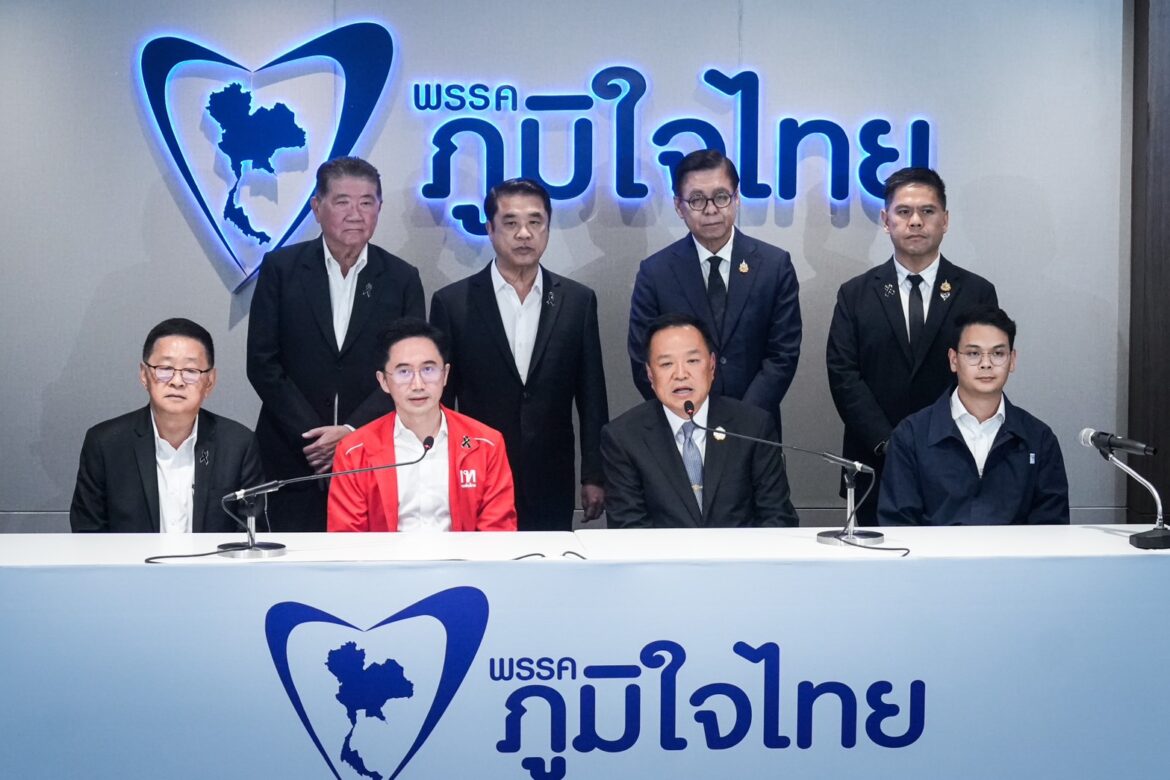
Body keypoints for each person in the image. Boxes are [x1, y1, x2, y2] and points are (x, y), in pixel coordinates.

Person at [247, 156, 425, 532]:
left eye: (366, 202)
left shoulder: (402, 278)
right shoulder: (281, 269)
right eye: (342, 201)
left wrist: (350, 431)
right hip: (293, 452)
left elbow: (408, 370)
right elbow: (262, 363)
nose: (355, 214)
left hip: (373, 451)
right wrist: (317, 438)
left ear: (379, 208)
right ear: (317, 206)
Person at [430, 178, 608, 531]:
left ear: (548, 227)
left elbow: (592, 397)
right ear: (489, 229)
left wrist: (594, 474)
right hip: (476, 472)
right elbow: (441, 402)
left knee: (549, 562)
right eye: (510, 223)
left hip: (551, 474)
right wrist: (439, 471)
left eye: (535, 222)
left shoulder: (577, 301)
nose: (524, 234)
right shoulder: (452, 303)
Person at [826, 167, 998, 525]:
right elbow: (844, 376)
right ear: (885, 220)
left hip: (956, 458)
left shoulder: (977, 293)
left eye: (927, 211)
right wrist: (888, 443)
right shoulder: (855, 294)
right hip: (875, 463)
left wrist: (938, 442)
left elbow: (984, 375)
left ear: (945, 220)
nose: (915, 221)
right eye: (903, 212)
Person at [627, 149, 801, 433]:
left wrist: (744, 420)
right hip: (683, 429)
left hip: (756, 429)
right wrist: (688, 415)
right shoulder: (655, 273)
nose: (711, 210)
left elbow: (783, 355)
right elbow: (642, 359)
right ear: (678, 206)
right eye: (697, 200)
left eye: (721, 197)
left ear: (736, 198)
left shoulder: (774, 266)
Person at [602, 313, 799, 528]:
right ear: (650, 374)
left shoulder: (753, 427)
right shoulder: (624, 438)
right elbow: (629, 529)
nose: (680, 374)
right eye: (666, 364)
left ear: (712, 366)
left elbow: (778, 518)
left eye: (693, 361)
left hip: (742, 551)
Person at [878, 305, 1069, 525]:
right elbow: (898, 526)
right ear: (953, 360)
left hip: (1014, 550)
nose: (986, 364)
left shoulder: (1039, 438)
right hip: (936, 550)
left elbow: (1051, 528)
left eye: (998, 354)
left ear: (1012, 360)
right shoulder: (911, 436)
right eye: (973, 354)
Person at [70, 318, 263, 533]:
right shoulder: (106, 444)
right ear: (144, 375)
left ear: (210, 381)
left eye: (191, 371)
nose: (177, 381)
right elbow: (88, 534)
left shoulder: (238, 445)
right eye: (165, 368)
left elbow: (250, 534)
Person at [327, 319, 517, 532]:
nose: (418, 385)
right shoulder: (354, 451)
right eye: (404, 372)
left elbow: (497, 533)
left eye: (428, 369)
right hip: (386, 555)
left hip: (463, 555)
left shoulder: (487, 444)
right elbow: (347, 539)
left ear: (445, 375)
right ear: (383, 381)